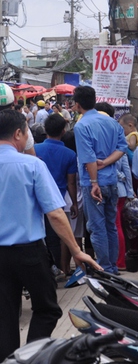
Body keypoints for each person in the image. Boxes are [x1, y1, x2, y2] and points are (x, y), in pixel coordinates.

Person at [0, 109, 100, 363]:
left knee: (1, 320)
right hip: (30, 254)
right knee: (47, 309)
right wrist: (76, 251)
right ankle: (33, 356)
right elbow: (56, 214)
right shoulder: (33, 165)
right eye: (26, 132)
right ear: (18, 134)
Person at [73, 86, 127, 273]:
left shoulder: (81, 125)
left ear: (77, 104)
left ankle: (105, 268)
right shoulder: (112, 123)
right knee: (110, 226)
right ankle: (112, 266)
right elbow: (122, 147)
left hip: (93, 183)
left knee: (97, 228)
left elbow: (88, 157)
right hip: (112, 181)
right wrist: (106, 162)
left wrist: (94, 181)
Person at [34, 113, 79, 276]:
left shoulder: (35, 149)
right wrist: (74, 203)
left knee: (40, 236)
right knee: (55, 237)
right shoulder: (70, 154)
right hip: (57, 200)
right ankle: (57, 268)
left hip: (36, 200)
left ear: (45, 129)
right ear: (63, 131)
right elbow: (71, 182)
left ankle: (44, 270)